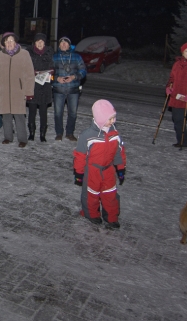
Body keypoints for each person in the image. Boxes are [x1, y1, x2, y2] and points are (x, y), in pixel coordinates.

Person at [74, 99, 127, 229]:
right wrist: (79, 173)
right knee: (91, 194)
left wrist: (120, 168)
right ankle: (92, 214)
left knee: (110, 194)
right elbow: (80, 155)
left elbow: (119, 152)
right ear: (100, 118)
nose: (113, 121)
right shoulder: (87, 135)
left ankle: (111, 217)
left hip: (108, 169)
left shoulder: (114, 134)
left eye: (114, 118)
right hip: (92, 170)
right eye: (110, 119)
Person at [0, 32, 35, 147]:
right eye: (7, 41)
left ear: (15, 42)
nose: (9, 43)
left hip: (19, 90)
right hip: (3, 90)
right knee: (6, 115)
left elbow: (30, 74)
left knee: (19, 115)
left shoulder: (24, 54)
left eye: (11, 40)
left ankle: (22, 139)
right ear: (3, 43)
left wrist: (29, 91)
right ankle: (8, 137)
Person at [51, 36, 86, 141]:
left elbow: (83, 71)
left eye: (65, 43)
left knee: (73, 113)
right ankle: (59, 133)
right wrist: (56, 78)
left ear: (69, 45)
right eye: (61, 43)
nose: (63, 44)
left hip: (73, 89)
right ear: (59, 45)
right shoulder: (54, 57)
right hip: (58, 89)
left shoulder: (77, 57)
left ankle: (70, 133)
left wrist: (74, 77)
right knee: (58, 113)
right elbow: (48, 73)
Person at [28, 33, 55, 142]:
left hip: (45, 87)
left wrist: (51, 74)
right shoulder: (29, 53)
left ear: (44, 43)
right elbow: (25, 68)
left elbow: (53, 69)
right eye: (37, 41)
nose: (40, 43)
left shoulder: (50, 53)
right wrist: (32, 73)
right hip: (32, 87)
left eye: (42, 41)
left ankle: (42, 134)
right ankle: (31, 133)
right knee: (32, 111)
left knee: (43, 112)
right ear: (34, 43)